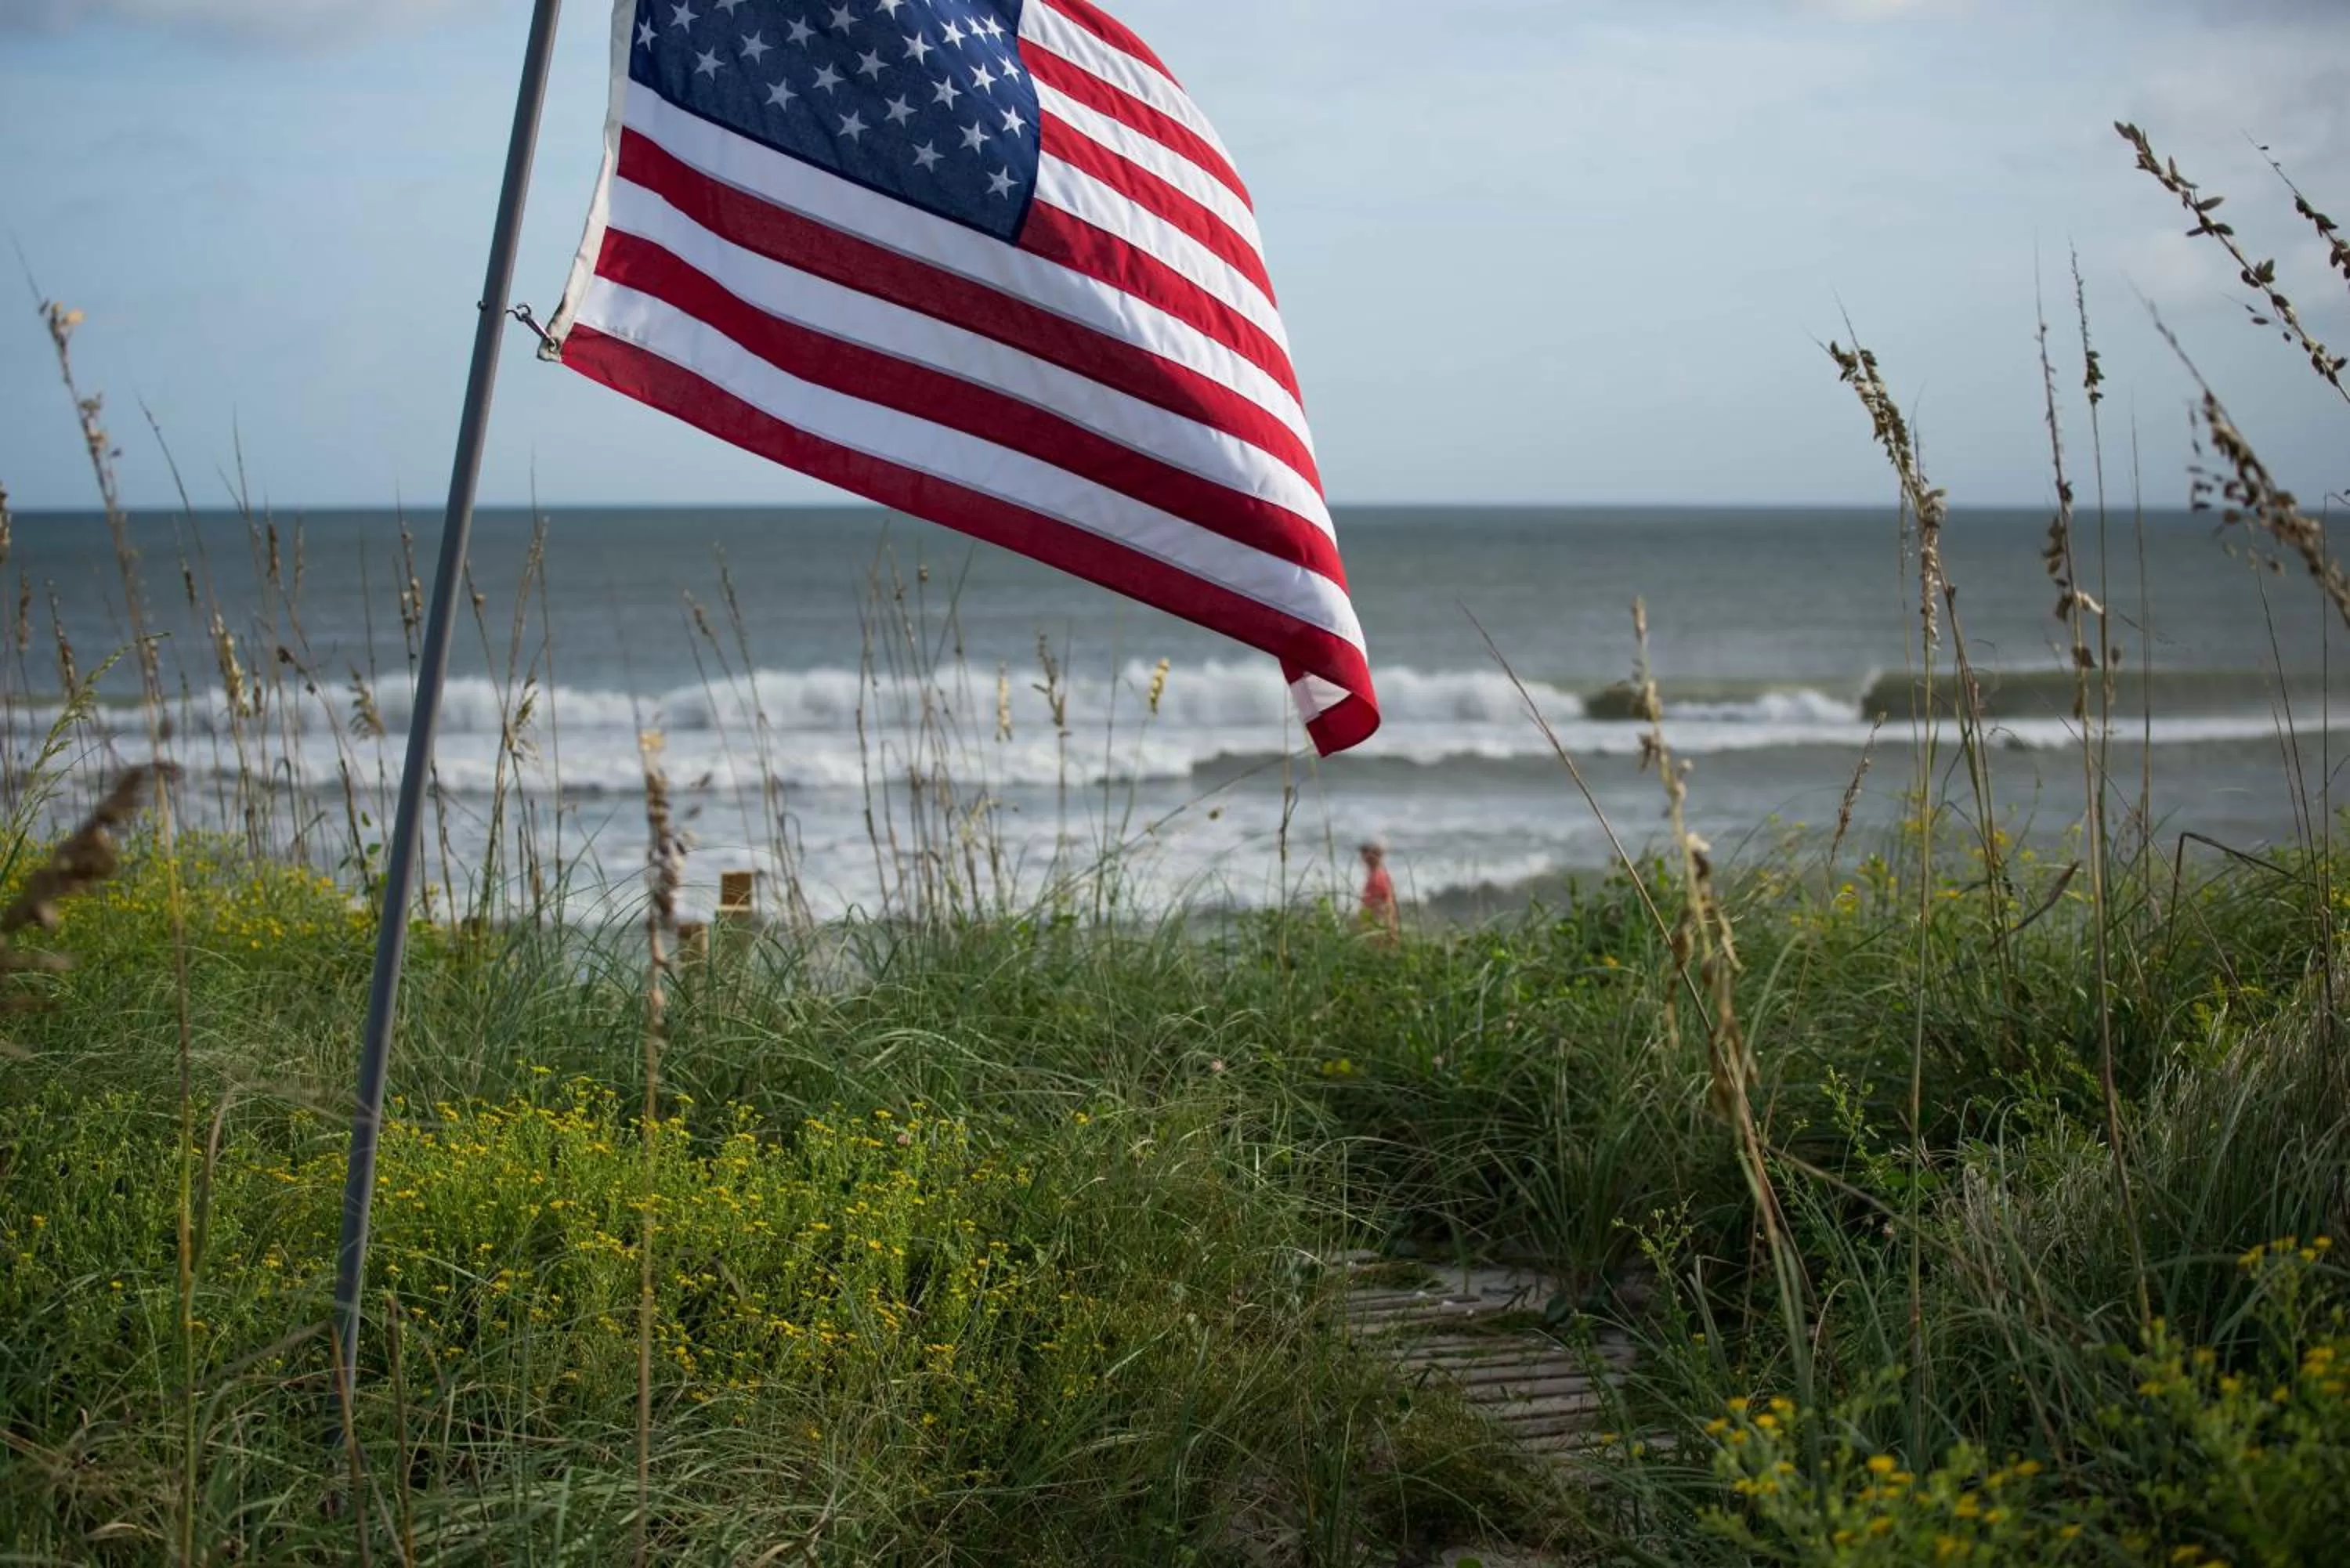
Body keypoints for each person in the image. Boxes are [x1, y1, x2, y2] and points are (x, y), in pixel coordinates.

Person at [1358, 839, 1401, 945]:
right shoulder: (1380, 875)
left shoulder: (1378, 878)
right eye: (1365, 851)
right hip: (1380, 926)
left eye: (1374, 853)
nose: (1368, 856)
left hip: (1378, 928)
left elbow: (1380, 906)